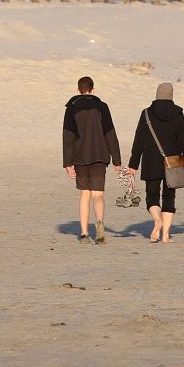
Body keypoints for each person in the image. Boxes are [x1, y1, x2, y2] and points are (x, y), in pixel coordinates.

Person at [126, 82, 184, 243]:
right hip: (173, 161)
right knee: (169, 197)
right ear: (171, 95)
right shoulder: (178, 114)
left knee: (152, 196)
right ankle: (165, 235)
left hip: (151, 160)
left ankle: (157, 220)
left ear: (157, 94)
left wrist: (133, 165)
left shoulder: (146, 114)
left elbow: (139, 141)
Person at [62, 76, 123, 244]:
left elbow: (68, 136)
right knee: (98, 194)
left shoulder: (72, 108)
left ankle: (83, 233)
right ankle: (100, 224)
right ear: (93, 89)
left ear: (78, 90)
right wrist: (117, 160)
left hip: (80, 157)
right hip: (99, 155)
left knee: (84, 195)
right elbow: (110, 133)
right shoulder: (102, 107)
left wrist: (67, 163)